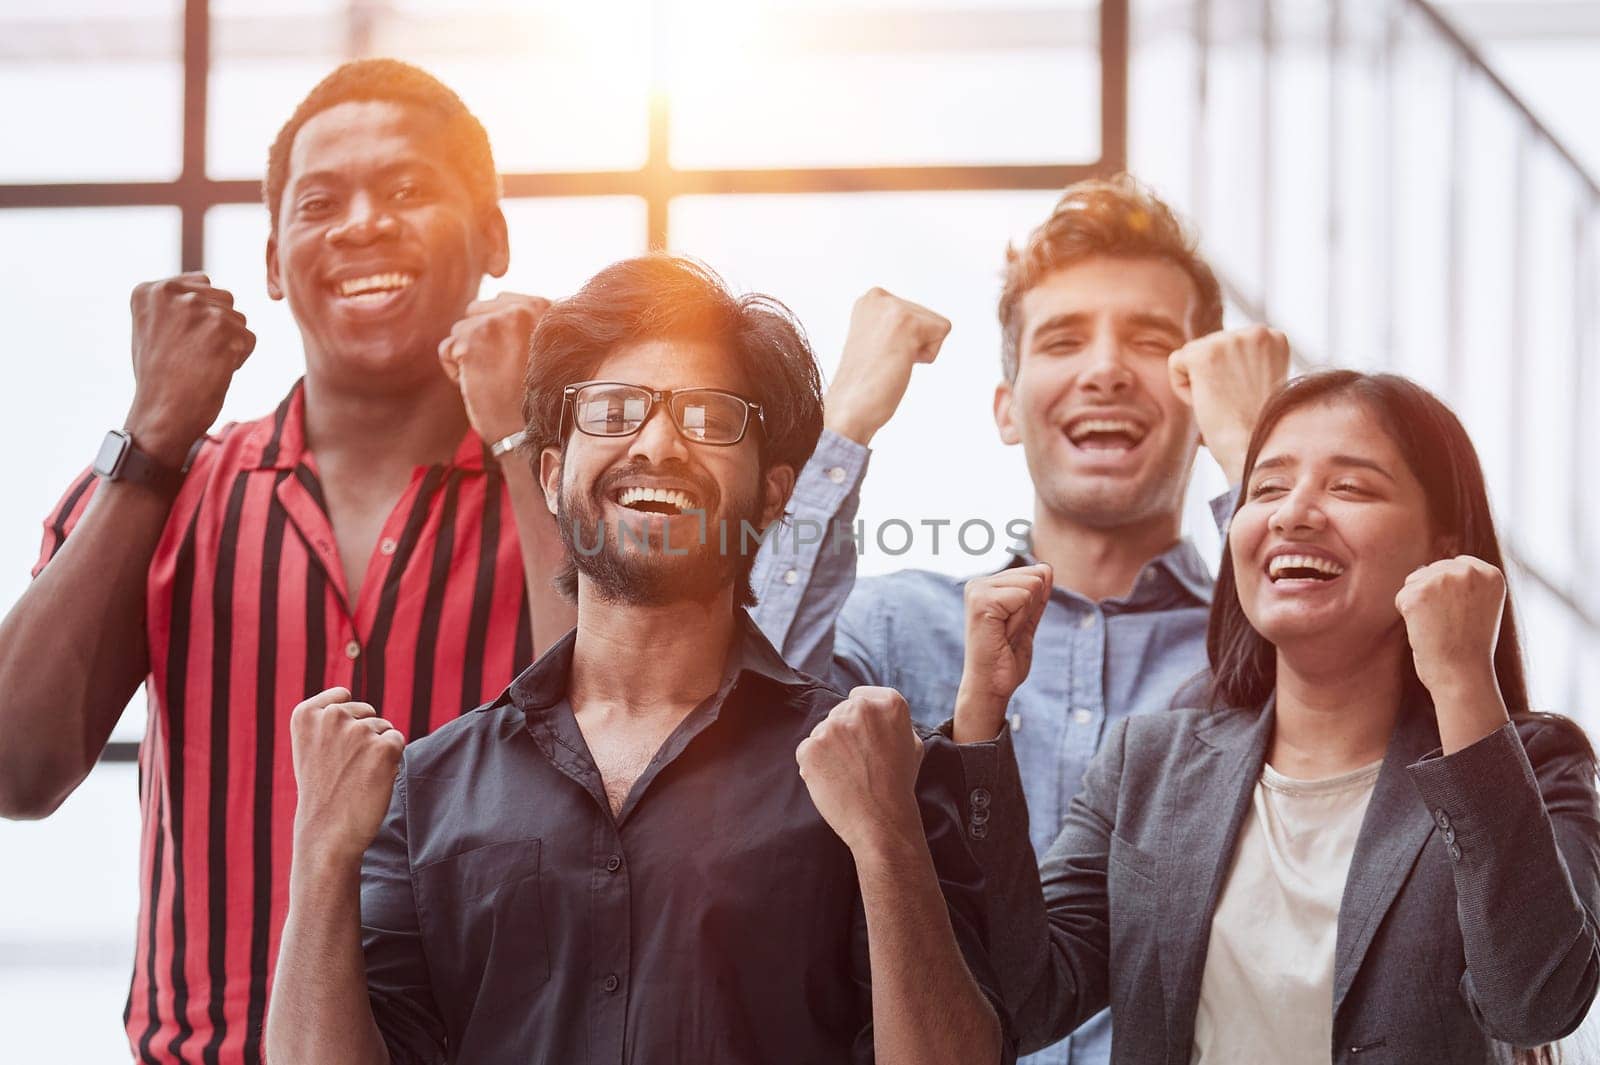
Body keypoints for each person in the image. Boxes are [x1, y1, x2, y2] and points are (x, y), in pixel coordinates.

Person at [264, 255, 1012, 1065]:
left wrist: (890, 841)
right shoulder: (428, 788)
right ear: (552, 476)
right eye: (613, 410)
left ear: (771, 495)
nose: (657, 444)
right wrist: (320, 855)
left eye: (710, 416)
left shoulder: (879, 772)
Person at [0, 60, 568, 1064]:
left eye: (406, 192)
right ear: (273, 260)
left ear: (493, 238)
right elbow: (15, 769)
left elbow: (628, 751)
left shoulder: (563, 499)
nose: (361, 224)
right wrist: (152, 430)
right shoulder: (156, 491)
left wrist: (523, 439)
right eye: (320, 202)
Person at [743, 175, 1290, 1065]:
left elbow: (1363, 713)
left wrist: (1264, 452)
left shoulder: (1259, 654)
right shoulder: (894, 628)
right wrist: (840, 426)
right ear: (1006, 410)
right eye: (1064, 339)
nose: (1106, 368)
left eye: (1152, 342)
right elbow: (738, 709)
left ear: (1203, 405)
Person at [949, 370, 1600, 1063]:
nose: (1293, 513)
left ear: (1444, 549)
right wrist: (980, 722)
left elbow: (1533, 1002)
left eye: (1349, 487)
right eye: (1266, 488)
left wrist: (1464, 676)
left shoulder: (1534, 762)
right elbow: (1024, 995)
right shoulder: (1148, 760)